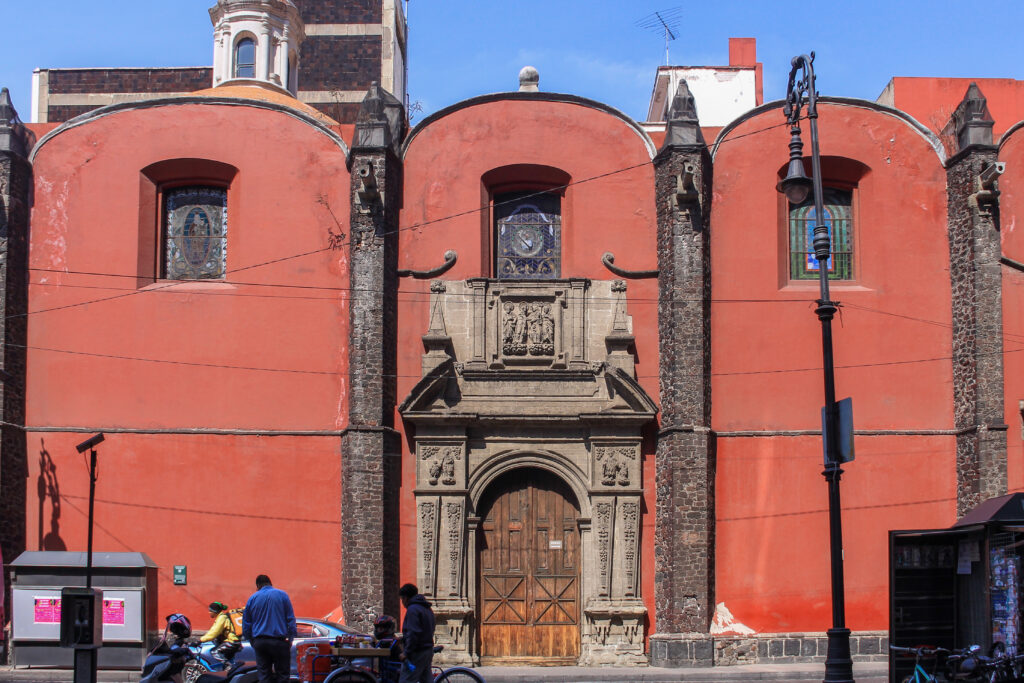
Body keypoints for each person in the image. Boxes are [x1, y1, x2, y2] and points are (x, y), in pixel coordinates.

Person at [242, 575, 296, 683]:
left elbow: (246, 623)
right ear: (270, 583)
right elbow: (290, 619)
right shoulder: (282, 595)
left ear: (258, 585)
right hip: (279, 642)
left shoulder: (252, 598)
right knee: (283, 675)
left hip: (260, 642)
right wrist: (291, 638)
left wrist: (251, 640)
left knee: (264, 675)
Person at [397, 584, 435, 683]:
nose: (402, 602)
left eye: (402, 599)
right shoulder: (427, 608)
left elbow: (413, 633)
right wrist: (403, 639)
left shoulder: (413, 609)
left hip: (417, 652)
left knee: (406, 680)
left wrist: (406, 653)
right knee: (426, 680)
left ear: (405, 598)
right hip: (427, 649)